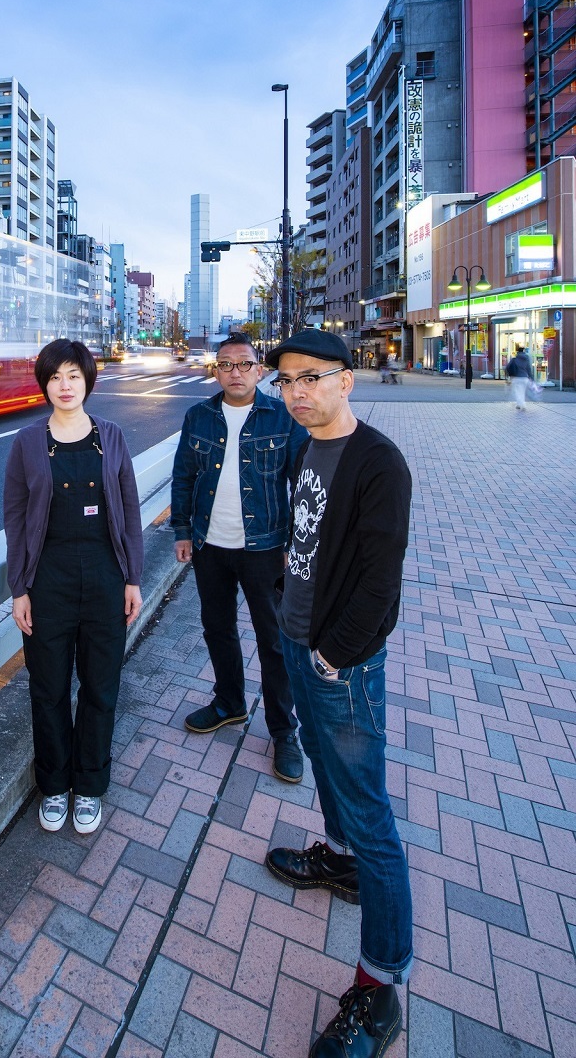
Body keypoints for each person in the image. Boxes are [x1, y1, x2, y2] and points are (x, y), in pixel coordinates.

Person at [261, 328, 412, 1058]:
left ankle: (380, 989)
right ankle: (339, 860)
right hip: (301, 642)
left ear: (347, 381)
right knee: (327, 770)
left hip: (339, 665)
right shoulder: (302, 446)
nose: (297, 392)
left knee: (373, 816)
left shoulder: (379, 463)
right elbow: (302, 536)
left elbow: (381, 582)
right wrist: (289, 611)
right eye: (286, 380)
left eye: (312, 377)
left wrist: (330, 656)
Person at [3, 339, 143, 836]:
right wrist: (19, 588)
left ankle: (89, 787)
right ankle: (55, 786)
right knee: (48, 688)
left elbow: (129, 511)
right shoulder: (26, 442)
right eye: (55, 377)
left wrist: (132, 578)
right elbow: (16, 519)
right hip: (48, 579)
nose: (64, 386)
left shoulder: (113, 436)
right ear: (44, 384)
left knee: (102, 688)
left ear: (88, 382)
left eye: (73, 376)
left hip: (106, 574)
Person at [170, 333, 307, 783]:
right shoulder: (199, 416)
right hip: (210, 545)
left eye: (244, 364)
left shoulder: (282, 417)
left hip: (265, 548)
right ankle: (229, 703)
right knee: (218, 628)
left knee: (273, 640)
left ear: (260, 370)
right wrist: (183, 532)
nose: (235, 372)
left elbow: (303, 484)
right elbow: (184, 477)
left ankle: (284, 730)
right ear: (216, 371)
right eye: (225, 365)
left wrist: (295, 545)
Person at [505, 345, 535, 411]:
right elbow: (528, 369)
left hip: (516, 378)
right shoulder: (526, 359)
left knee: (518, 392)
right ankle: (521, 404)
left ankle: (520, 405)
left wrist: (509, 376)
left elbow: (508, 367)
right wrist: (531, 378)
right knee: (522, 392)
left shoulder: (514, 359)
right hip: (524, 378)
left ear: (517, 352)